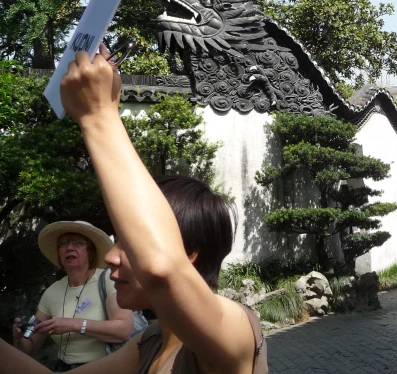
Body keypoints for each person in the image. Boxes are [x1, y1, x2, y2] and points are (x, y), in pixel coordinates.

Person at [0, 48, 267, 374]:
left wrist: (98, 114)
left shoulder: (236, 327)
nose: (110, 257)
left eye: (128, 244)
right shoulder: (151, 341)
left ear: (190, 254)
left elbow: (162, 267)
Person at [12, 221, 134, 371]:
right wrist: (19, 338)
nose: (69, 247)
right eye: (63, 244)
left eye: (78, 243)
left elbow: (124, 330)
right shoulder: (51, 292)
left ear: (91, 252)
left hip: (106, 368)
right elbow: (29, 349)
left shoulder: (109, 279)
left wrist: (72, 324)